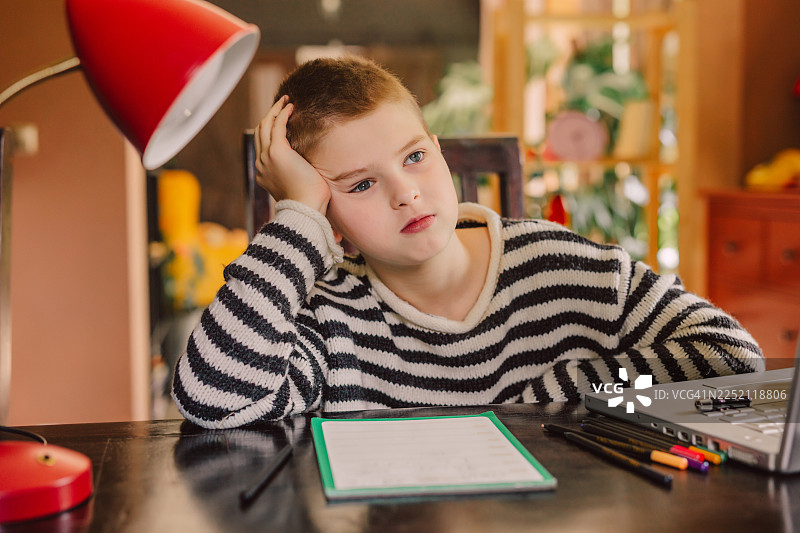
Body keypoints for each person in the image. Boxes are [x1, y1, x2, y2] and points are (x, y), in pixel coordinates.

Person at [172, 56, 763, 429]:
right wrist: (298, 217)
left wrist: (543, 400)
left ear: (439, 149)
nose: (406, 193)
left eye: (415, 157)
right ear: (329, 218)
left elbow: (734, 358)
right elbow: (211, 397)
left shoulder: (561, 270)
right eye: (362, 185)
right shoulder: (330, 316)